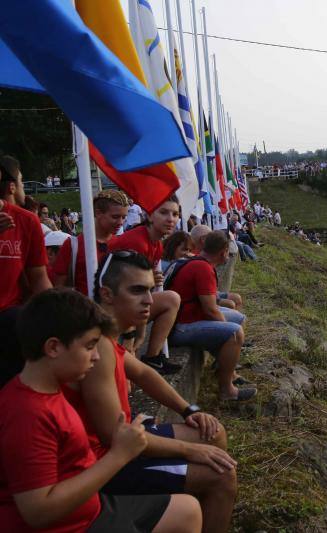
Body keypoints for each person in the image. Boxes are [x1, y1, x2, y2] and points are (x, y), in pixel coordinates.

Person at [0, 289, 201, 533]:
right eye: (89, 346)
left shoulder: (52, 389)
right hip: (70, 526)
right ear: (53, 348)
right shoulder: (27, 414)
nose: (96, 357)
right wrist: (120, 455)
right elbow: (38, 512)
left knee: (188, 511)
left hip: (90, 508)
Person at [74, 250, 238, 532]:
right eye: (137, 290)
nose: (149, 300)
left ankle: (195, 506)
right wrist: (190, 451)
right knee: (221, 475)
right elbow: (115, 438)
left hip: (125, 443)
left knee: (212, 432)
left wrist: (189, 410)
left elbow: (143, 373)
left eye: (150, 290)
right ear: (108, 294)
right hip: (107, 464)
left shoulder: (108, 336)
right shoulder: (96, 345)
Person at [166, 231, 255, 402]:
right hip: (180, 327)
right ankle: (227, 390)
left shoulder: (197, 261)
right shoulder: (203, 268)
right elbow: (210, 310)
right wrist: (225, 330)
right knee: (234, 333)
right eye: (228, 252)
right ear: (223, 251)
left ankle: (227, 367)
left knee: (238, 318)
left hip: (184, 318)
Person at [109, 196, 182, 374]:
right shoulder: (136, 241)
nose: (170, 219)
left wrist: (140, 336)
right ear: (149, 215)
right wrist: (130, 336)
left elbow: (142, 293)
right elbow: (126, 293)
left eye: (175, 214)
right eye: (164, 212)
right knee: (171, 299)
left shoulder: (156, 244)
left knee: (170, 298)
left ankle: (153, 357)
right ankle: (150, 356)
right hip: (112, 307)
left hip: (128, 306)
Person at [0, 155, 52, 387]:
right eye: (22, 181)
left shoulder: (26, 221)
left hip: (9, 322)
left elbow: (39, 279)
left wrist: (60, 313)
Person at [53, 189, 129, 296]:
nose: (121, 222)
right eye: (115, 217)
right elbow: (59, 288)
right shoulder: (73, 244)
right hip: (83, 309)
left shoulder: (123, 244)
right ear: (98, 213)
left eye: (124, 217)